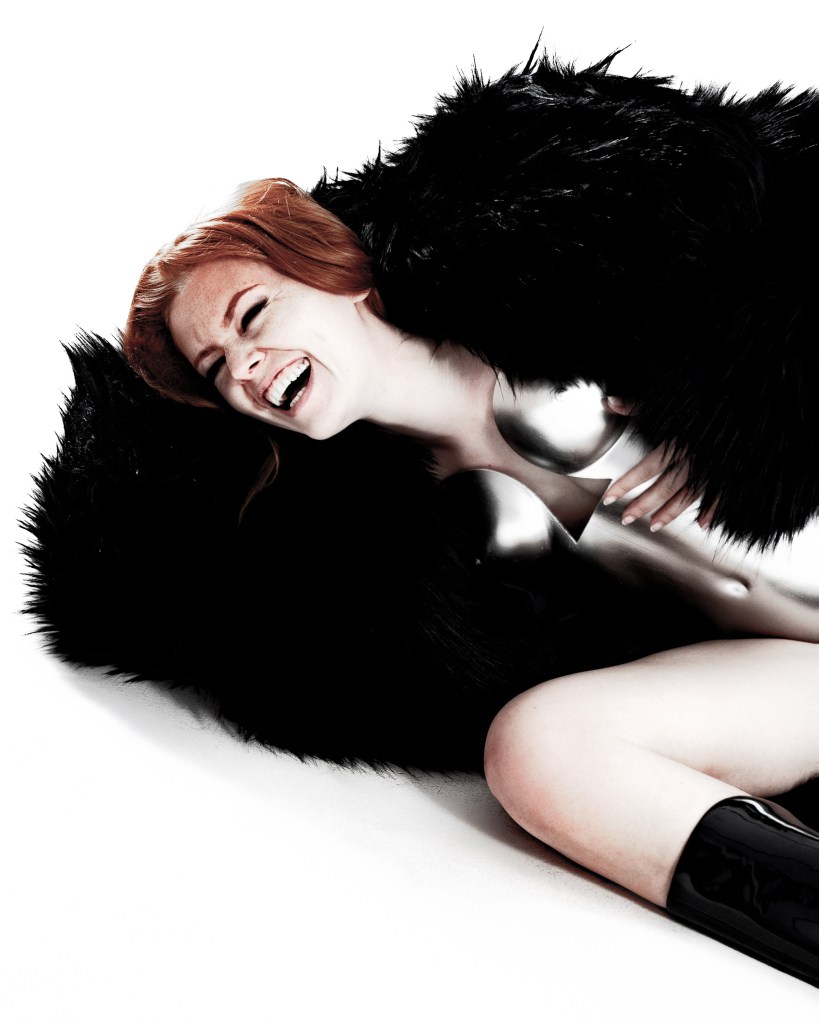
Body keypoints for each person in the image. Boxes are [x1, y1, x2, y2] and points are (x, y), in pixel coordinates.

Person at [25, 49, 819, 985]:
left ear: (340, 272)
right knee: (536, 747)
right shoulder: (424, 542)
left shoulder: (586, 306)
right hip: (788, 675)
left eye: (252, 314)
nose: (244, 366)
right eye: (215, 370)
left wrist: (729, 414)